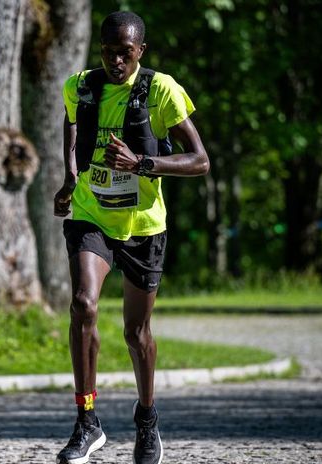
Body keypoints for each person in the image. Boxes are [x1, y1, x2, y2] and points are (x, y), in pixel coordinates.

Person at [53, 11, 209, 464]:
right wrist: (70, 177)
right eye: (108, 51)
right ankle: (87, 421)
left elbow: (199, 161)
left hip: (143, 225)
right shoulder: (80, 86)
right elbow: (71, 124)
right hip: (91, 214)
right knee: (83, 303)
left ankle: (146, 419)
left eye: (126, 52)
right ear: (99, 48)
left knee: (136, 332)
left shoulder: (161, 91)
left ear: (141, 50)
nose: (116, 60)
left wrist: (142, 163)